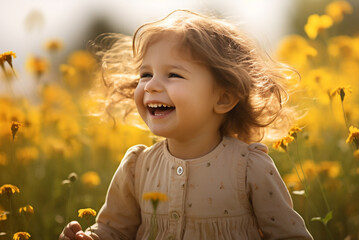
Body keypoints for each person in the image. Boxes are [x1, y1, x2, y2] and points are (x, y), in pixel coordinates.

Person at [59, 9, 313, 240]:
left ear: (223, 98)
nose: (151, 85)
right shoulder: (137, 168)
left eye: (173, 75)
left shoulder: (249, 168)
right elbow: (115, 230)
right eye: (145, 74)